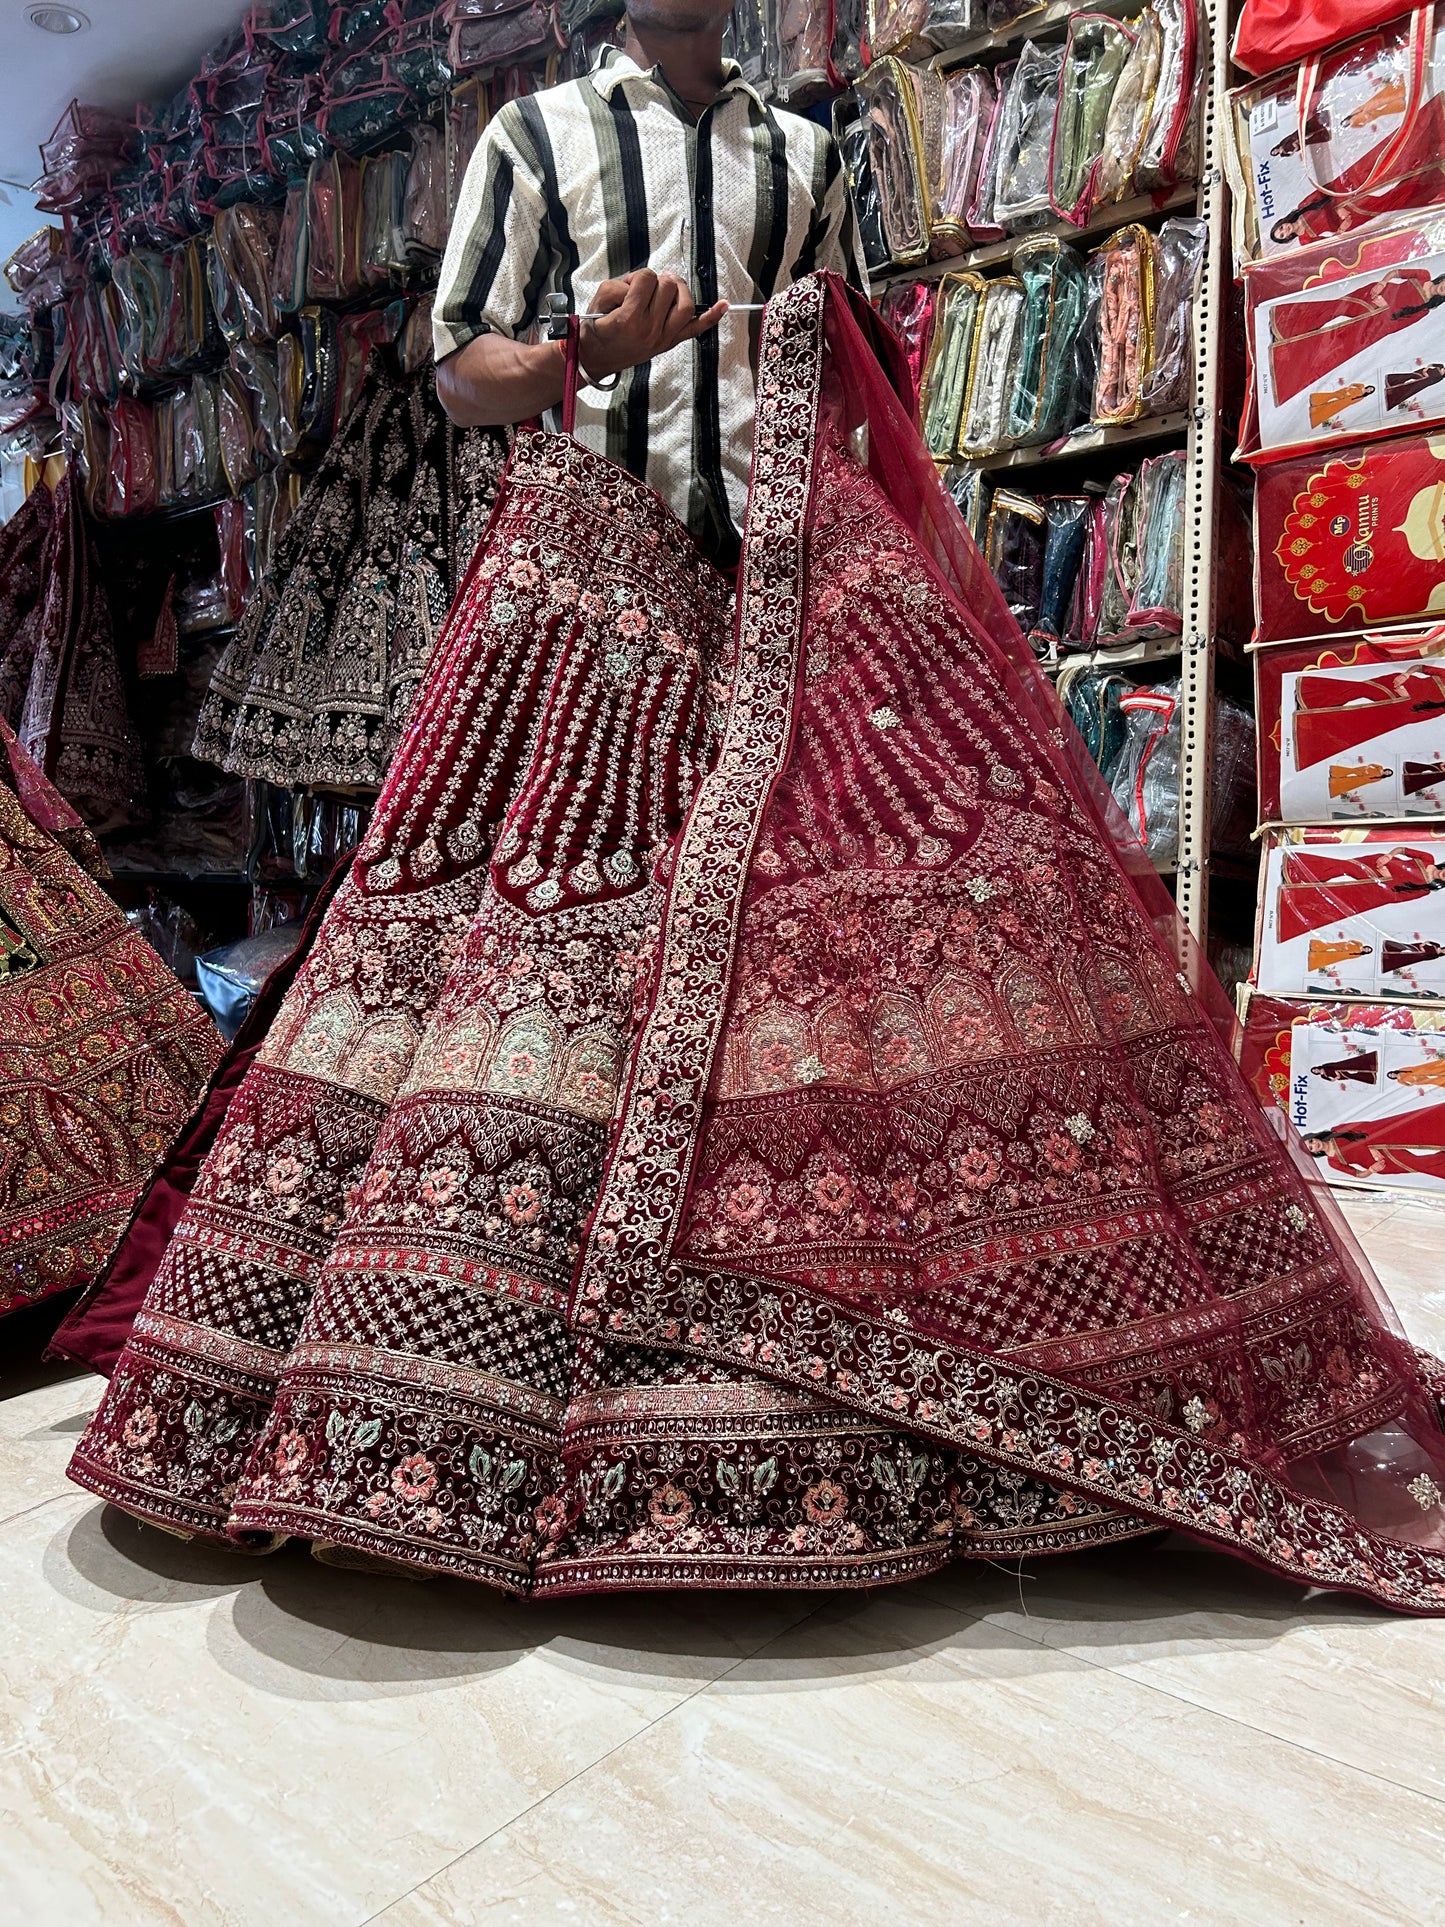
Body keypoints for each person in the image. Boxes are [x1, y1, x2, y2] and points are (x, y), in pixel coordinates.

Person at [431, 0, 864, 566]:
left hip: (776, 579)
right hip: (599, 579)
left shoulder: (811, 157)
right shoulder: (533, 136)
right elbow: (459, 376)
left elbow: (854, 378)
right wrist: (588, 355)